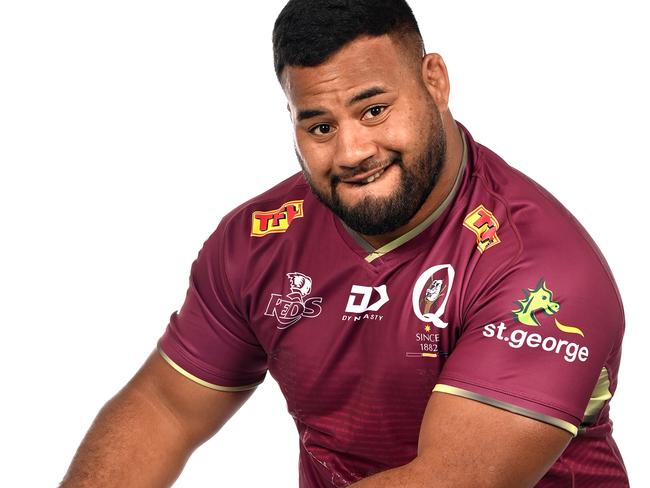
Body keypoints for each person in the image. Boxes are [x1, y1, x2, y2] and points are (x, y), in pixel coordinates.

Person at [60, 0, 629, 486]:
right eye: (321, 127)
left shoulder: (537, 264)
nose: (353, 152)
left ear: (435, 81)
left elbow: (447, 480)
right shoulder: (257, 241)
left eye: (374, 110)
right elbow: (165, 409)